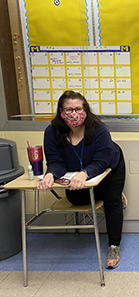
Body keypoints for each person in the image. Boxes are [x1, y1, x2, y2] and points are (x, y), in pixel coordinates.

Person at [37, 90, 125, 269]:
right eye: (69, 110)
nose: (74, 114)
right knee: (75, 198)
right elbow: (55, 162)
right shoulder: (52, 131)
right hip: (76, 174)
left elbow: (101, 161)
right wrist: (49, 175)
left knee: (111, 201)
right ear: (61, 111)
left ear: (85, 109)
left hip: (109, 167)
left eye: (78, 108)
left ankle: (114, 246)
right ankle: (108, 193)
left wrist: (84, 173)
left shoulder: (99, 129)